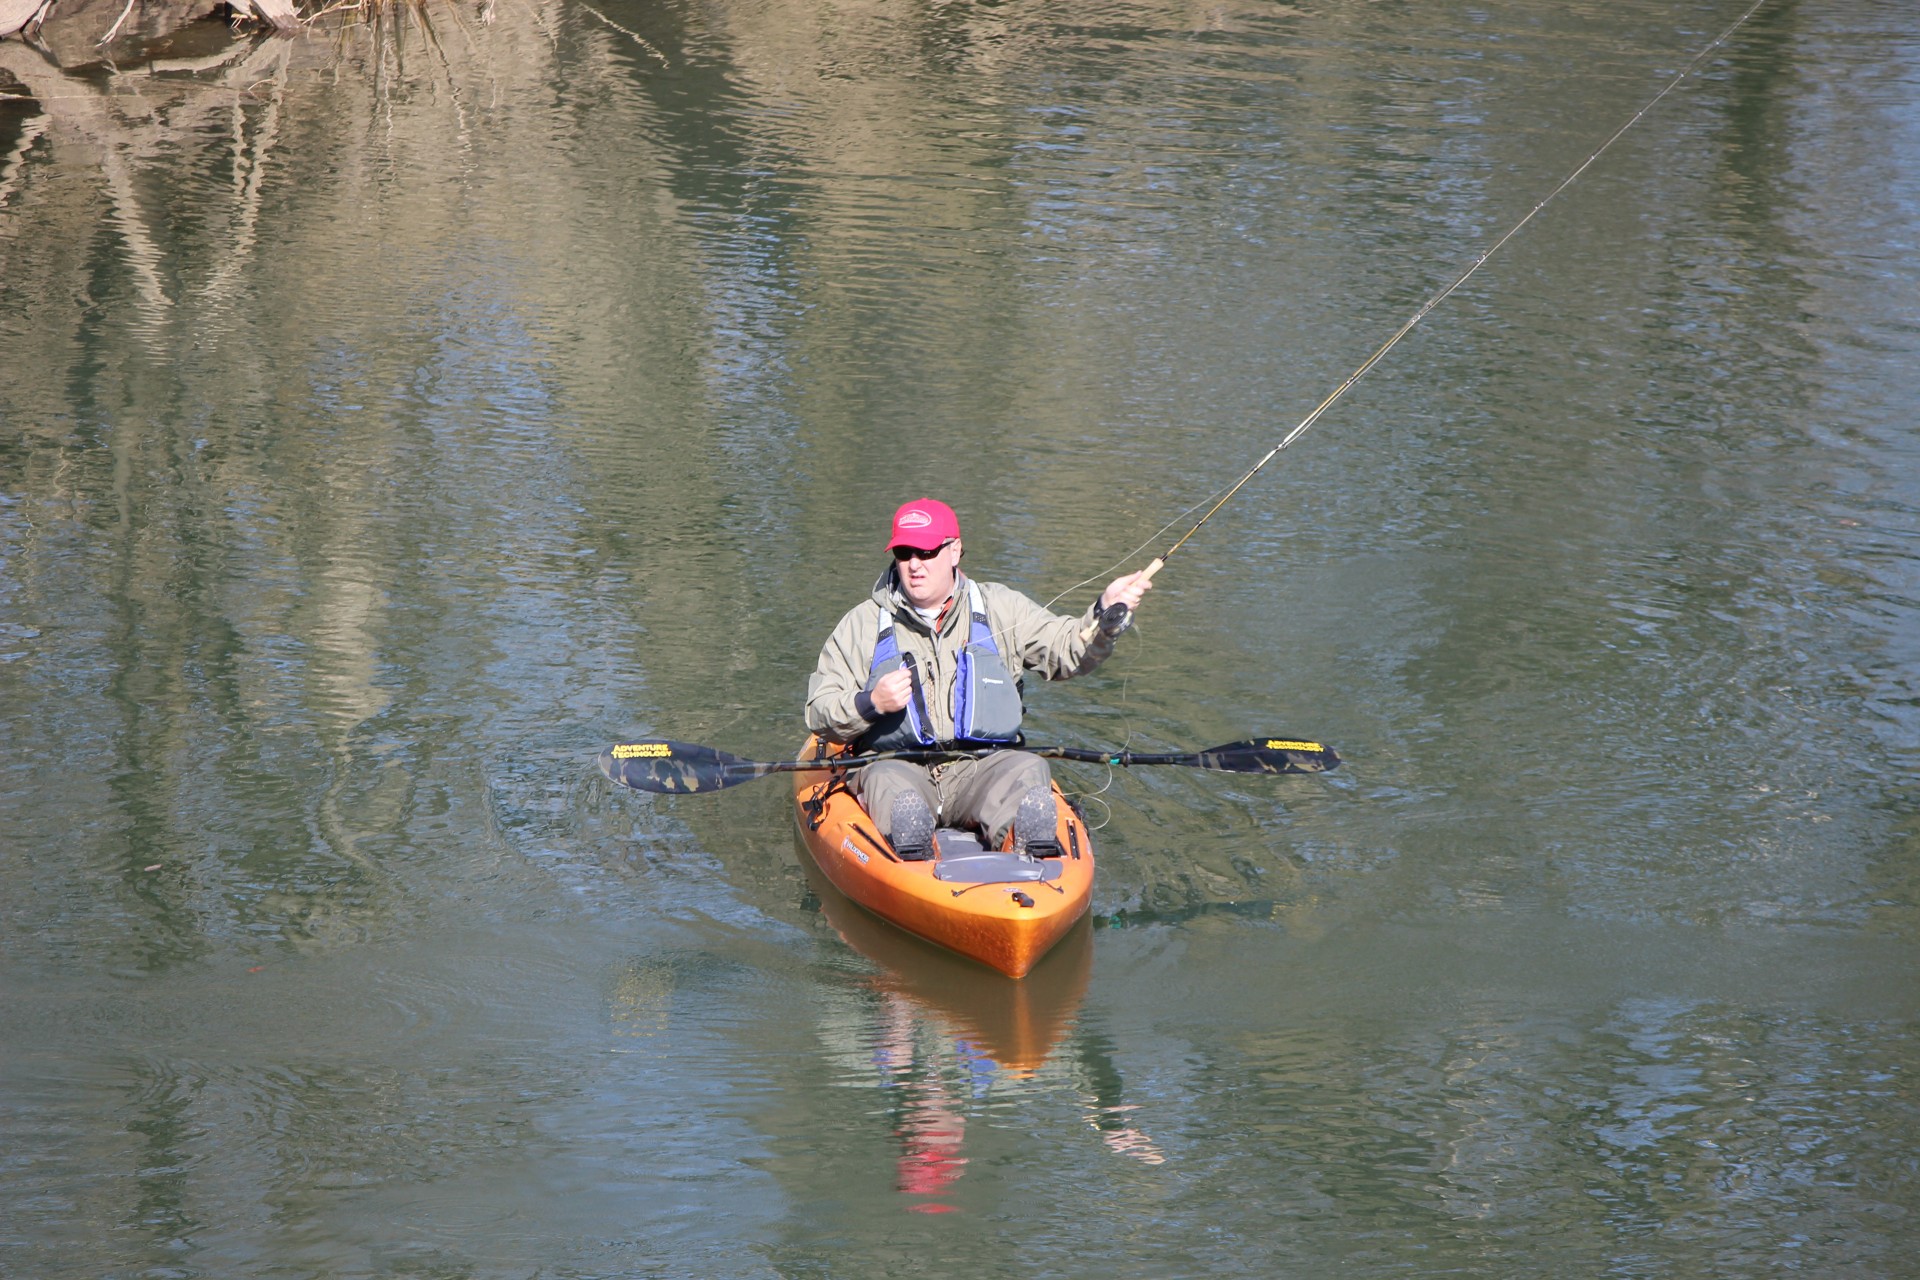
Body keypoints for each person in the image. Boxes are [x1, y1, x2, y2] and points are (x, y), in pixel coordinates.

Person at [805, 498, 1152, 861]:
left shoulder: (1001, 607)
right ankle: (913, 854)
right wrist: (870, 703)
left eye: (926, 551)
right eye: (904, 552)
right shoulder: (860, 624)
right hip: (897, 767)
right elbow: (819, 711)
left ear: (954, 551)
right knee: (887, 785)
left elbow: (1066, 652)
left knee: (1029, 767)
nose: (914, 564)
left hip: (982, 768)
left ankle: (1028, 850)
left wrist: (1103, 616)